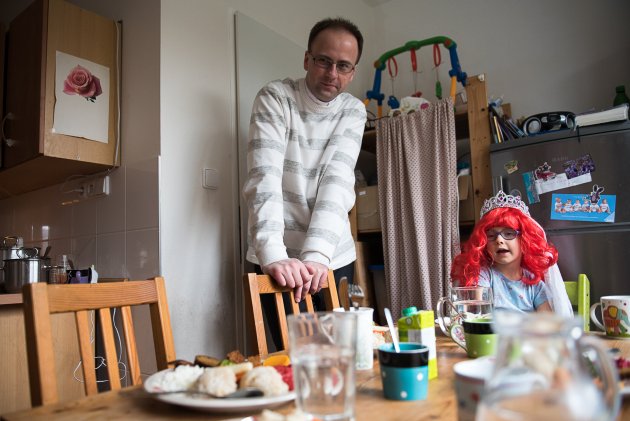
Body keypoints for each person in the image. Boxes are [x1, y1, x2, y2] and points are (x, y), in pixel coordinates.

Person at [242, 17, 366, 306]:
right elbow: (264, 178)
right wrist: (273, 254)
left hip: (331, 255)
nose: (332, 73)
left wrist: (317, 255)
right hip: (275, 252)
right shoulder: (275, 97)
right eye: (324, 61)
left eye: (343, 66)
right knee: (284, 337)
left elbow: (336, 183)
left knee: (337, 336)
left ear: (352, 72)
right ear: (307, 59)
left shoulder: (353, 111)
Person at [450, 191, 573, 316]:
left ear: (525, 239)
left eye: (509, 233)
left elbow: (547, 320)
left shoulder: (534, 283)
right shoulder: (484, 276)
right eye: (491, 235)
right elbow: (480, 314)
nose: (499, 240)